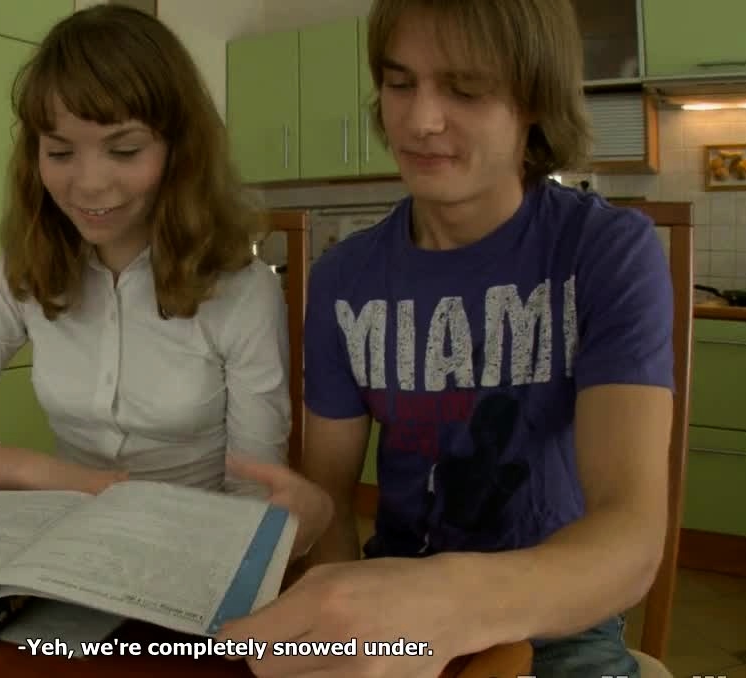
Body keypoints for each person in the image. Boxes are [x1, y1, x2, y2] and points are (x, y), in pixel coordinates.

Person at [216, 0, 674, 676]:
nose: (420, 120)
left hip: (555, 616)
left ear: (534, 99)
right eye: (399, 83)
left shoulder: (603, 250)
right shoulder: (343, 278)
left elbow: (630, 540)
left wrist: (448, 602)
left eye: (464, 89)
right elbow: (332, 499)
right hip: (393, 593)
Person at [0, 5, 332, 552]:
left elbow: (253, 492)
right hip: (71, 540)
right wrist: (58, 478)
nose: (89, 184)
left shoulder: (242, 291)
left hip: (194, 547)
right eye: (60, 152)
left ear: (179, 151)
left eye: (124, 150)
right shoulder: (24, 271)